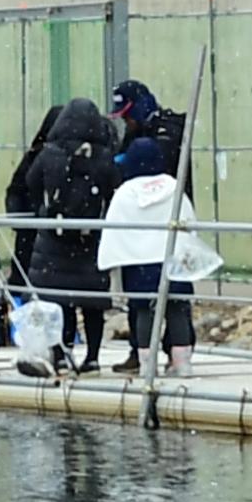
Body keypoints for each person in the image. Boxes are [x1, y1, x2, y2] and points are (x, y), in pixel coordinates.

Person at [7, 97, 118, 375]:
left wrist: (48, 209)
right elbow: (114, 191)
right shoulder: (104, 157)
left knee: (58, 301)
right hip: (90, 239)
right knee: (92, 303)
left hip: (55, 240)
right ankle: (92, 358)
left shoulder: (50, 153)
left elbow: (30, 184)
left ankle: (60, 354)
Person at [103, 80, 197, 373]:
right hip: (165, 245)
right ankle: (174, 358)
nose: (126, 122)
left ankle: (150, 358)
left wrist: (108, 259)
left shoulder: (165, 136)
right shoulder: (144, 141)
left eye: (128, 115)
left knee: (147, 304)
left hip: (147, 249)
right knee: (174, 302)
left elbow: (114, 225)